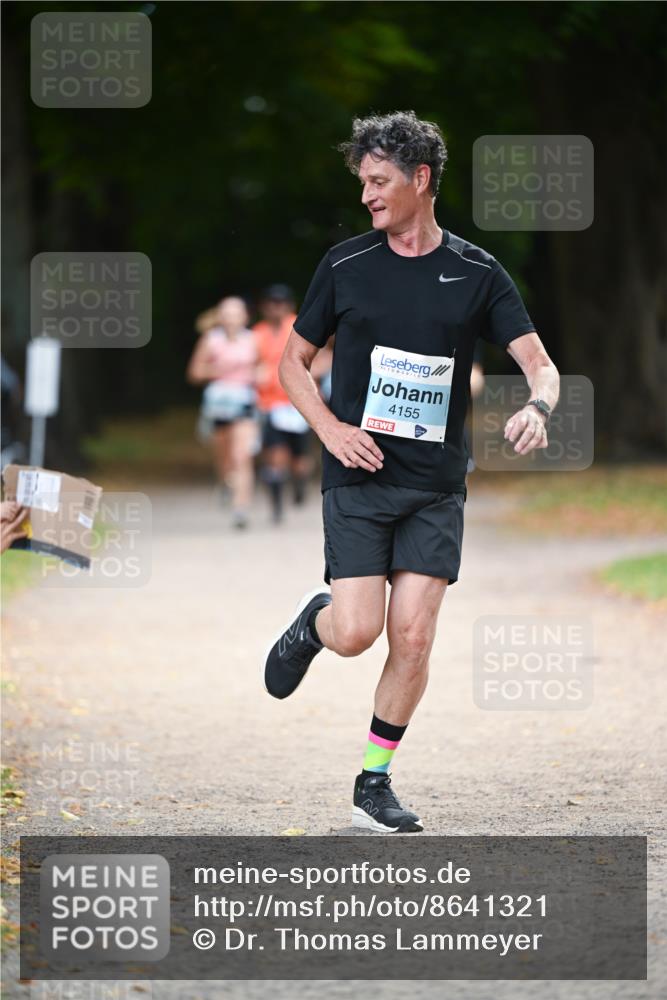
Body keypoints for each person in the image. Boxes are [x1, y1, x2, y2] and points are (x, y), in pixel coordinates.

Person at [263, 110, 559, 833]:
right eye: (362, 182)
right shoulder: (344, 265)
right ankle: (317, 623)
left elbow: (539, 365)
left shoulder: (476, 272)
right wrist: (330, 429)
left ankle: (373, 781)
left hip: (433, 484)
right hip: (358, 478)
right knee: (359, 632)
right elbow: (290, 364)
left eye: (379, 180)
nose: (366, 195)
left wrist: (540, 409)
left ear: (420, 179)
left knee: (415, 638)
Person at [187, 296, 258, 529]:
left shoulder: (254, 340)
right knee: (224, 457)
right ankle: (226, 483)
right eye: (226, 313)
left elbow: (266, 367)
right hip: (218, 404)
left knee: (242, 456)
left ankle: (241, 509)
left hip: (244, 401)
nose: (231, 318)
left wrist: (259, 375)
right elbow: (194, 372)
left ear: (244, 317)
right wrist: (218, 369)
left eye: (236, 313)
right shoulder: (211, 340)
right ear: (220, 317)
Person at [253, 285, 316, 523]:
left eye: (279, 303)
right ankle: (277, 506)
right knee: (275, 455)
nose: (274, 307)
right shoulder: (258, 333)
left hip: (298, 400)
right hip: (270, 404)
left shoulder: (300, 326)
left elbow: (318, 355)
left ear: (289, 306)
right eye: (270, 303)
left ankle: (299, 483)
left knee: (300, 459)